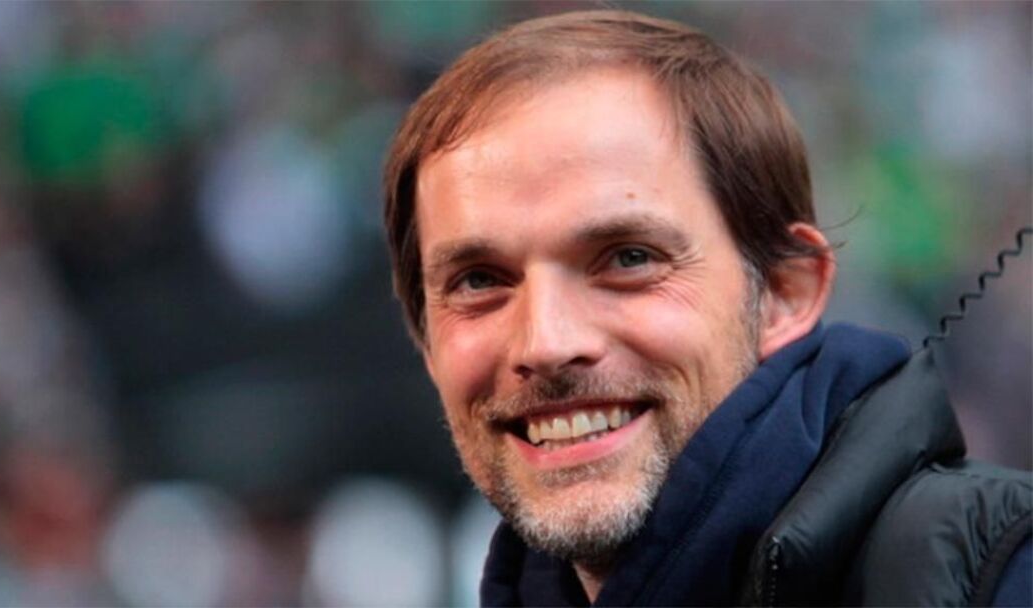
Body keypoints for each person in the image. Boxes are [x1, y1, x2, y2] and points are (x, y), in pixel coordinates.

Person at [382, 10, 1032, 606]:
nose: (546, 342)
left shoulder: (1003, 576)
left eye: (628, 258)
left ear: (783, 293)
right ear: (425, 338)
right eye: (478, 281)